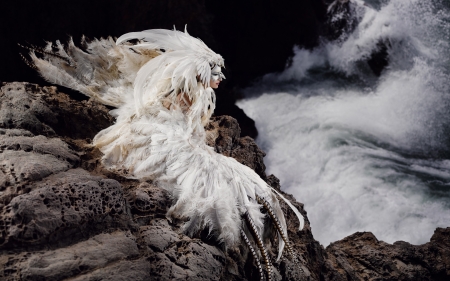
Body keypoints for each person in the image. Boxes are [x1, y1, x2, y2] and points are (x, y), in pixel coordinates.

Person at [26, 28, 304, 279]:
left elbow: (190, 123)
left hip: (169, 129)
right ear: (197, 74)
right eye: (215, 73)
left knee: (230, 177)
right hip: (161, 134)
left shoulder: (195, 94)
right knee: (212, 179)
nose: (220, 78)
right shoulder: (179, 96)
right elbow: (173, 124)